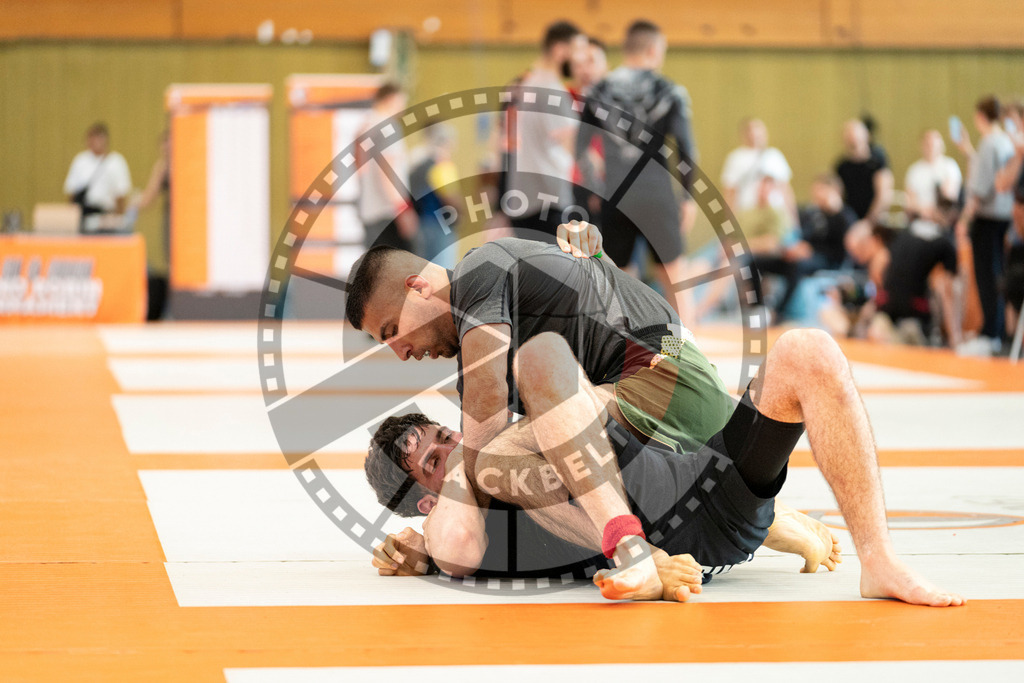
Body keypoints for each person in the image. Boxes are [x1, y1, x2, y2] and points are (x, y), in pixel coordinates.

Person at [344, 225, 965, 607]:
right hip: (702, 469)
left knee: (524, 399)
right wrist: (423, 540)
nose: (400, 353)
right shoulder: (493, 346)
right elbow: (462, 525)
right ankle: (720, 533)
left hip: (662, 384)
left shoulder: (478, 276)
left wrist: (454, 488)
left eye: (392, 332)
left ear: (420, 287)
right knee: (807, 351)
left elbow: (486, 432)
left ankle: (876, 557)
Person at [577, 20, 698, 325]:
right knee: (674, 281)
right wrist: (688, 198)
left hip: (616, 196)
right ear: (654, 49)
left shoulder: (598, 91)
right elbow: (685, 150)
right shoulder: (670, 92)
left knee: (622, 285)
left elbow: (580, 149)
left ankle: (629, 356)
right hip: (657, 195)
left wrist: (595, 187)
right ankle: (680, 355)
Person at [503, 21, 585, 243]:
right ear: (560, 50)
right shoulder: (552, 91)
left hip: (522, 199)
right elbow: (569, 147)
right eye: (578, 51)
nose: (581, 59)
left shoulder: (525, 85)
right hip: (549, 201)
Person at [954, 95, 1016, 350]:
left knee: (986, 276)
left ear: (980, 116)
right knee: (997, 273)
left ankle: (990, 331)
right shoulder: (1005, 142)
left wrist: (964, 219)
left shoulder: (989, 142)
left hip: (986, 218)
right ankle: (997, 330)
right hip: (1004, 218)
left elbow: (980, 189)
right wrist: (969, 150)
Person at [845, 219, 960, 347]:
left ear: (874, 240)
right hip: (912, 317)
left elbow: (946, 293)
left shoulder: (884, 257)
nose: (860, 261)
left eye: (860, 251)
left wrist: (954, 338)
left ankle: (954, 340)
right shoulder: (900, 243)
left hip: (914, 324)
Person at [358, 83, 418, 252]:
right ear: (391, 99)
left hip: (369, 212)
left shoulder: (364, 126)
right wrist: (402, 209)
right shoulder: (388, 127)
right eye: (402, 101)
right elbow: (387, 171)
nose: (403, 107)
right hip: (388, 213)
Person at [63, 122, 132, 233]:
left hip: (106, 216)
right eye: (92, 137)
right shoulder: (80, 161)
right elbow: (72, 193)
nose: (96, 141)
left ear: (106, 140)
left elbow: (121, 195)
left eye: (99, 137)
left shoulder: (116, 162)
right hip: (84, 214)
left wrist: (118, 219)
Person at [409, 124, 460, 270]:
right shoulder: (441, 164)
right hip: (441, 225)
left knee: (423, 272)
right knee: (443, 272)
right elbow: (449, 196)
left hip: (422, 223)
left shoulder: (419, 163)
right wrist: (462, 211)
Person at [133, 130, 171, 320]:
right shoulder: (163, 166)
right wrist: (135, 203)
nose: (165, 148)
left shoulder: (179, 162)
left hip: (184, 219)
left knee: (180, 264)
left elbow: (149, 198)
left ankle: (176, 308)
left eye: (168, 143)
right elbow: (150, 197)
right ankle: (172, 309)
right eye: (163, 144)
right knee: (172, 263)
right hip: (174, 217)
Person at [835, 119, 893, 223]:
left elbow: (884, 196)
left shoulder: (878, 161)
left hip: (874, 221)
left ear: (866, 137)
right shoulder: (842, 166)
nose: (853, 141)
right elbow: (839, 197)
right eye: (849, 137)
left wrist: (868, 223)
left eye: (856, 137)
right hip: (850, 221)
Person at [904, 129, 963, 224]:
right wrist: (924, 211)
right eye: (927, 144)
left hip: (943, 221)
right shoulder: (914, 170)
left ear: (941, 146)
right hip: (919, 220)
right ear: (922, 145)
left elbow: (950, 198)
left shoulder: (949, 166)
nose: (931, 147)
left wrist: (935, 214)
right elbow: (910, 201)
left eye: (933, 144)